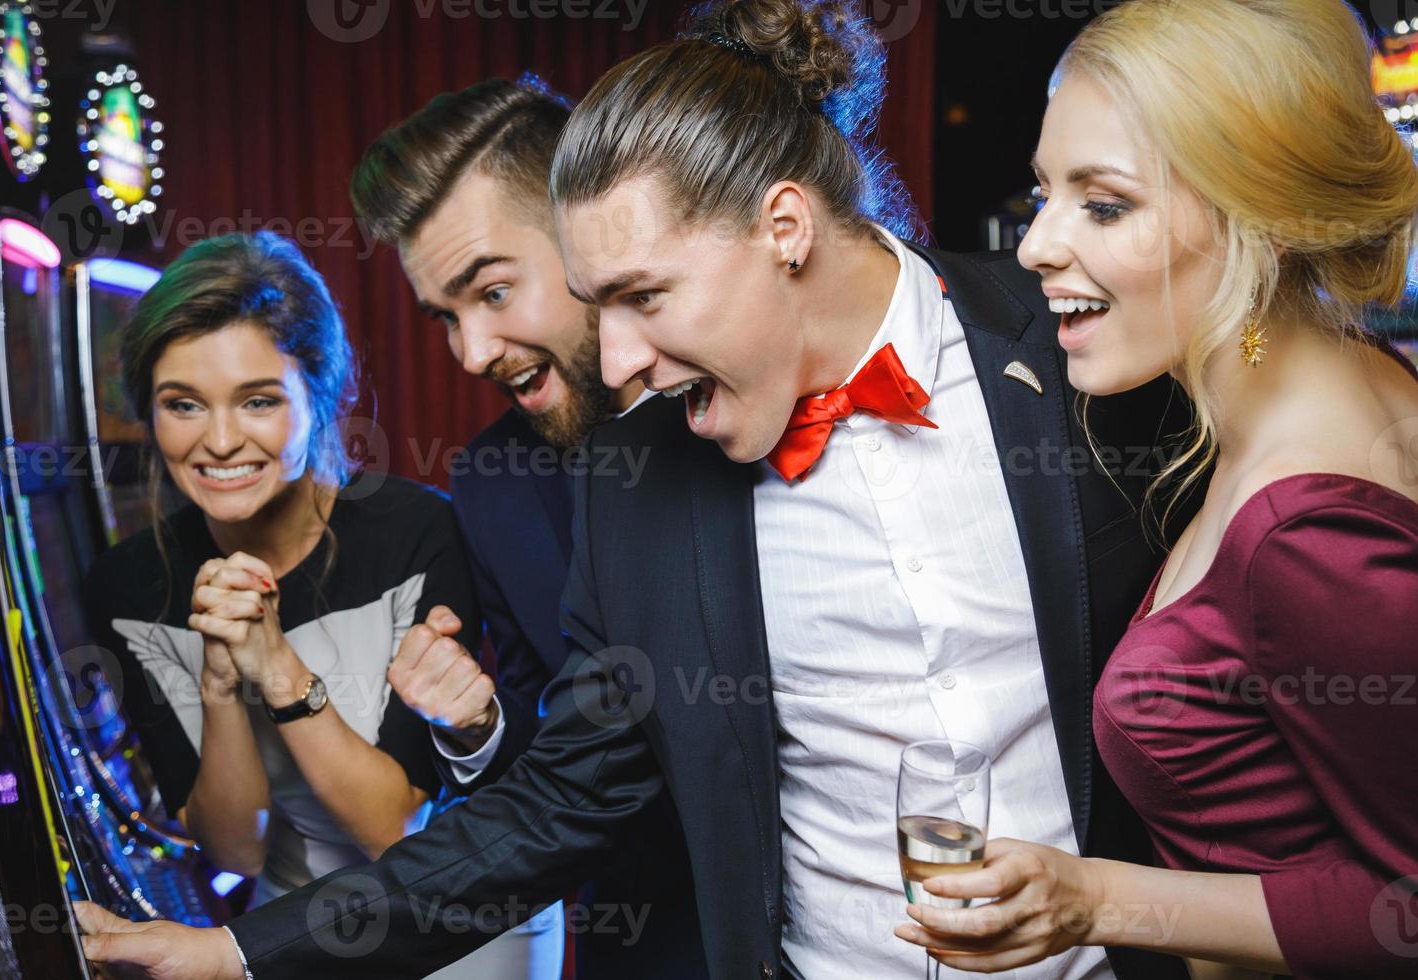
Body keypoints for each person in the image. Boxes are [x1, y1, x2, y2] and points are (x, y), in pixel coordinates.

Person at [72, 1, 1199, 977]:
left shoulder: (1067, 358)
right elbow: (557, 801)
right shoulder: (642, 479)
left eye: (644, 297)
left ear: (785, 226)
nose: (614, 365)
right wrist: (242, 951)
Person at [887, 2, 1418, 978]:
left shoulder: (1309, 526)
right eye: (1048, 192)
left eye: (1105, 202)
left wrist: (1091, 898)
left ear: (1259, 218)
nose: (1038, 244)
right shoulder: (1329, 375)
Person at [81, 231, 563, 978]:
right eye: (183, 404)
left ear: (323, 392)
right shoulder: (127, 583)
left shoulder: (421, 530)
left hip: (457, 917)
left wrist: (275, 666)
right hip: (279, 921)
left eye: (259, 401)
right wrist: (218, 679)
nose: (219, 440)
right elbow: (236, 849)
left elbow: (393, 830)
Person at [348, 75, 706, 974]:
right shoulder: (492, 484)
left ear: (589, 237)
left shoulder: (742, 400)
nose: (470, 353)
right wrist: (477, 730)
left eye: (493, 294)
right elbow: (553, 785)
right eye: (445, 318)